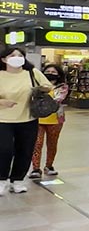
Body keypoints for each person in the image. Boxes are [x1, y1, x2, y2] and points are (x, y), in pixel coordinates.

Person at [0, 47, 53, 194]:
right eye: (12, 55)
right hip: (3, 120)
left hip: (28, 118)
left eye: (20, 55)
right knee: (4, 150)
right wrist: (2, 103)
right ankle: (2, 180)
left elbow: (48, 86)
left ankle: (17, 180)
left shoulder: (32, 73)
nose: (17, 57)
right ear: (4, 59)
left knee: (25, 150)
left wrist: (44, 88)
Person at [29, 63, 70, 180]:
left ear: (59, 75)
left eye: (53, 72)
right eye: (48, 72)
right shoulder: (36, 85)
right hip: (38, 119)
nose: (50, 74)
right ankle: (36, 168)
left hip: (56, 120)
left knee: (52, 144)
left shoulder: (62, 87)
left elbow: (57, 100)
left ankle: (49, 165)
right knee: (37, 144)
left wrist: (43, 93)